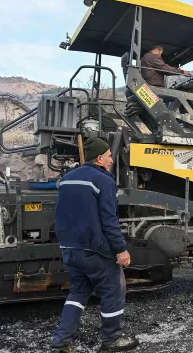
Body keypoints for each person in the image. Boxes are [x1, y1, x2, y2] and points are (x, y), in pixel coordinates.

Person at [50, 137, 138, 352]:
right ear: (99, 158)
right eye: (108, 156)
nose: (110, 160)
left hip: (69, 248)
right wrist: (121, 249)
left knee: (78, 293)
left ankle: (60, 343)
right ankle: (111, 340)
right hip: (94, 250)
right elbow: (109, 220)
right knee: (113, 291)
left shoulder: (67, 179)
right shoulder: (103, 180)